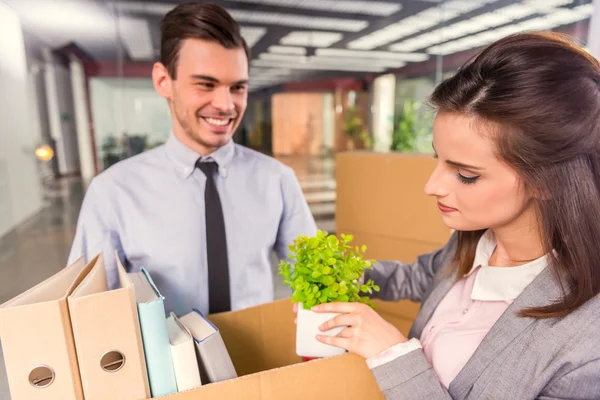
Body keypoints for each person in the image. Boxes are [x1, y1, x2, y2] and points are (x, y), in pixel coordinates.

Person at [306, 32, 600, 399]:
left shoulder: (587, 349)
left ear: (546, 180)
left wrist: (393, 355)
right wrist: (339, 275)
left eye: (466, 175)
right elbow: (419, 278)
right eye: (437, 159)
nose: (432, 186)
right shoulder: (474, 242)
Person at [68, 2, 317, 316]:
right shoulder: (113, 192)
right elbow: (88, 310)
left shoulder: (277, 179)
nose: (226, 105)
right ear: (163, 81)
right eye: (206, 84)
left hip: (261, 359)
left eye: (237, 87)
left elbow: (316, 280)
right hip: (160, 361)